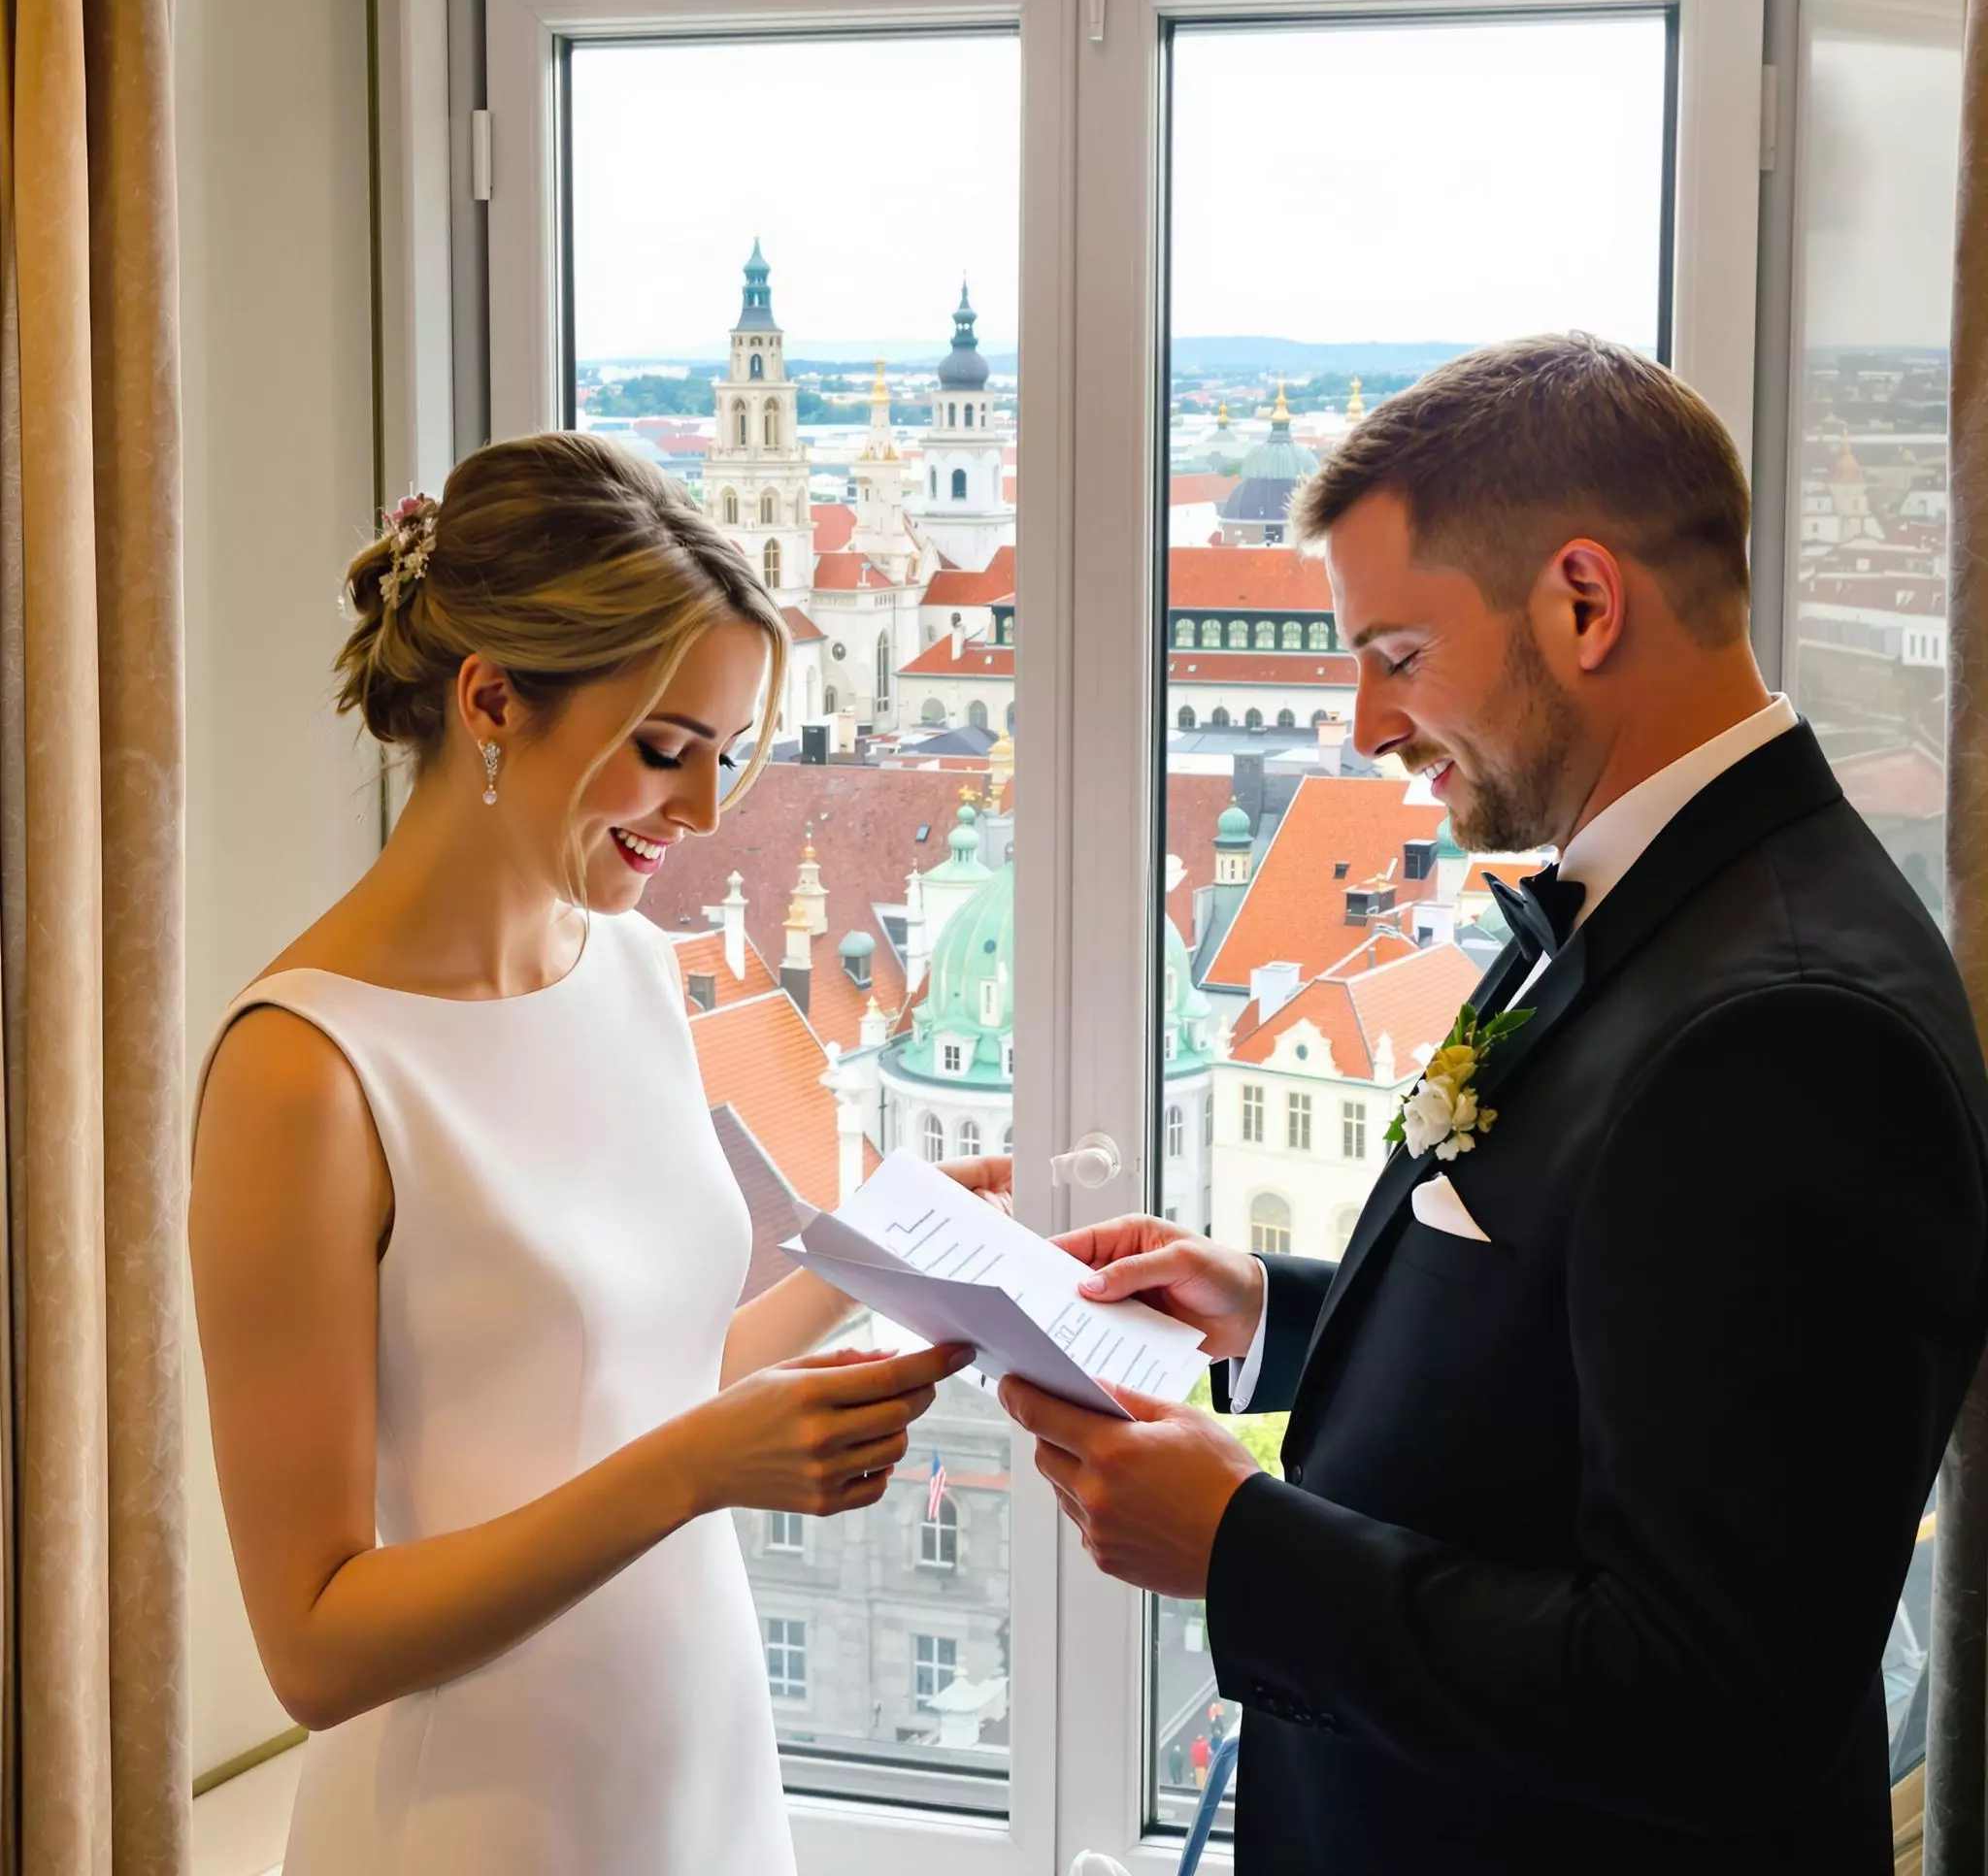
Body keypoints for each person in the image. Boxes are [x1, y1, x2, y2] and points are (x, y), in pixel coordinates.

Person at [1001, 335, 1988, 1873]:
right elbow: (1600, 1362)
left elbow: (1715, 1700)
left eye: (1395, 654)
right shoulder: (1667, 895)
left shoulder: (1792, 1027)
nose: (1365, 724)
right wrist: (1268, 1310)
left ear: (1583, 603)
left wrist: (1244, 1553)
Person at [189, 433, 1006, 1875]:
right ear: (491, 700)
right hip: (478, 1811)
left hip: (694, 1750)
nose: (699, 815)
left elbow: (639, 1389)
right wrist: (694, 1472)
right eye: (665, 750)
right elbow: (312, 1649)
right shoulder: (304, 1072)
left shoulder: (632, 969)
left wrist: (883, 1254)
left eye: (728, 758)